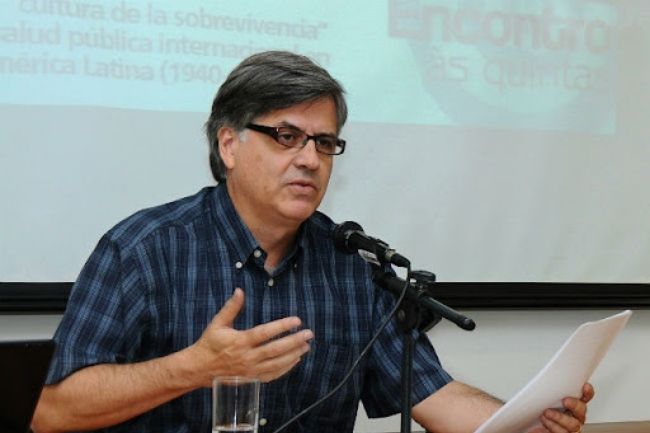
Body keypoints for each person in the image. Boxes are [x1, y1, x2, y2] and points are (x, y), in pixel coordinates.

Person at [32, 51, 593, 433]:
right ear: (228, 145)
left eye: (324, 143)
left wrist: (528, 420)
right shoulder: (144, 249)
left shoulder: (352, 266)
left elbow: (433, 396)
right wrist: (195, 367)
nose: (309, 158)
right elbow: (51, 410)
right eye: (286, 136)